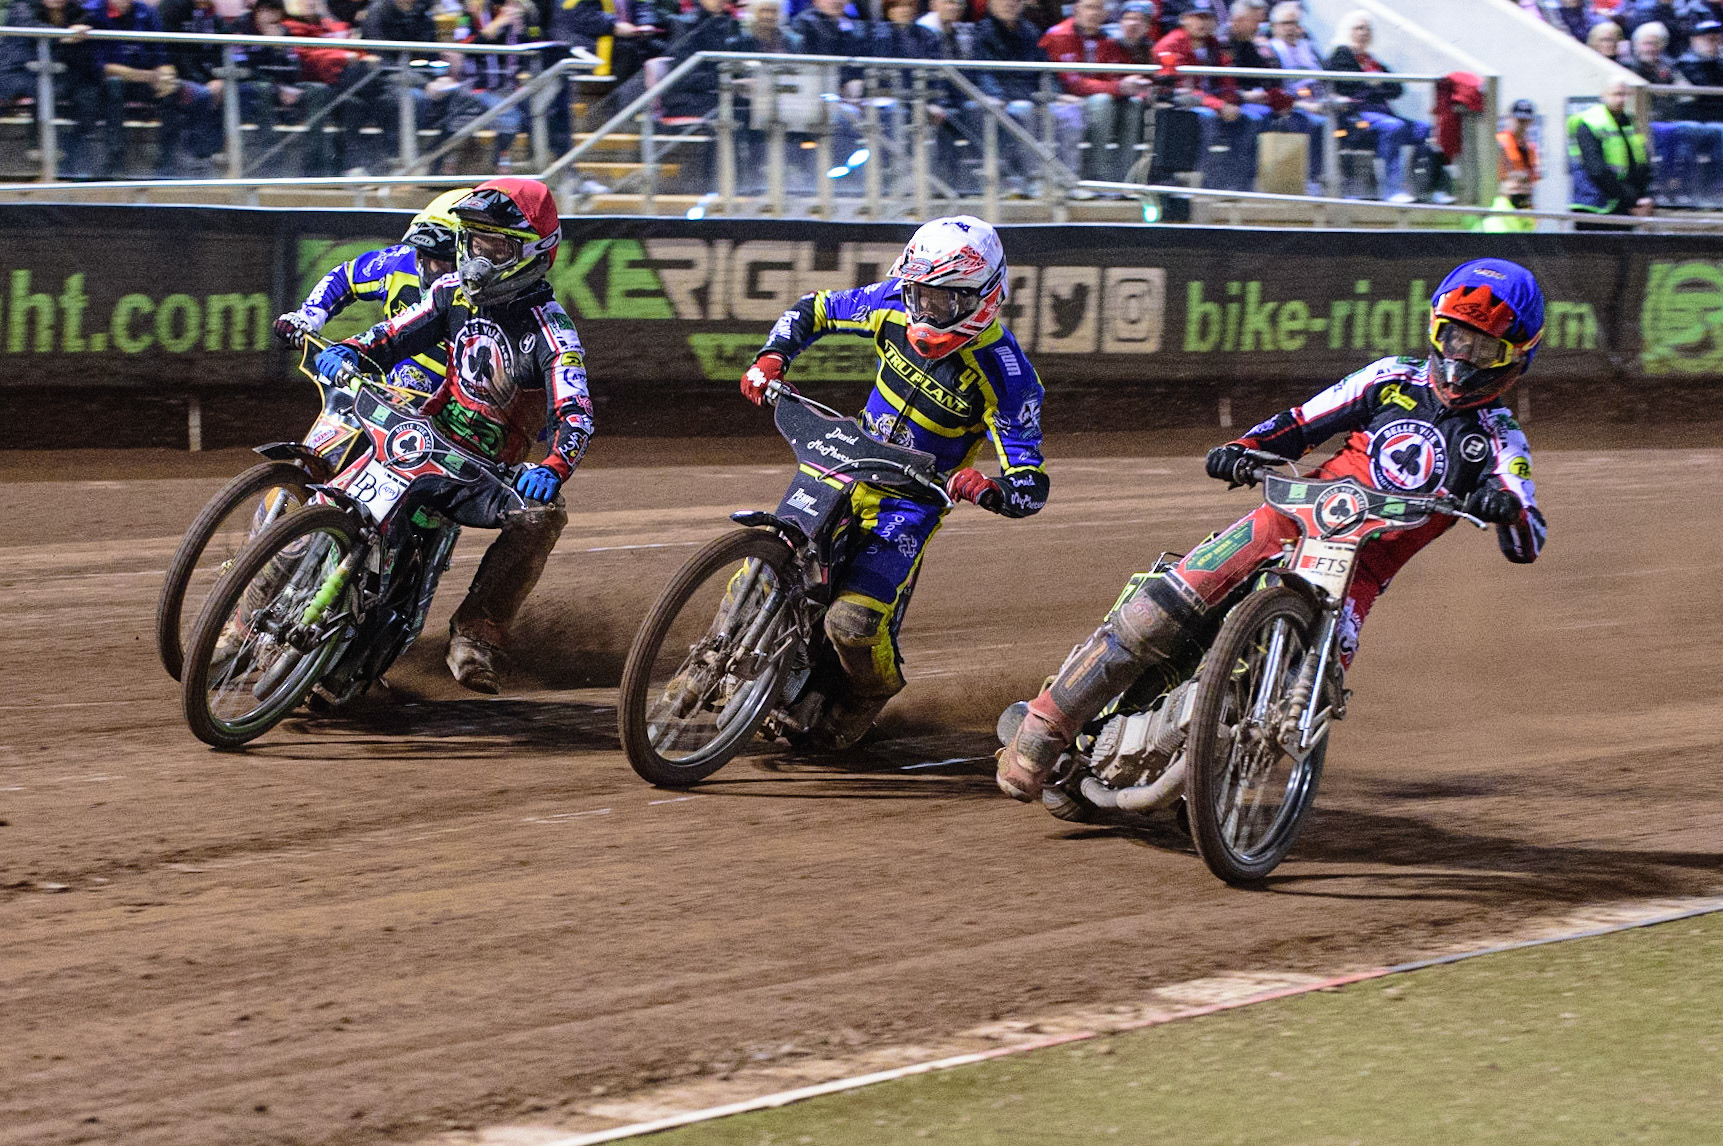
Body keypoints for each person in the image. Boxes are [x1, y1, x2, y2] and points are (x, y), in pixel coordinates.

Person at [998, 258, 1549, 803]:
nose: (1460, 358)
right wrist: (1244, 448)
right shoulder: (1389, 377)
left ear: (1515, 358)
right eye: (1453, 337)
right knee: (1155, 613)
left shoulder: (1499, 436)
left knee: (1304, 694)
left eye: (1480, 348)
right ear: (1434, 329)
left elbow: (1528, 531)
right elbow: (1302, 422)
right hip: (1290, 517)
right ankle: (1045, 727)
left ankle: (1211, 781)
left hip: (1360, 572)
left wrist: (1504, 506)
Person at [736, 216, 1049, 748]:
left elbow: (1030, 483)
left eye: (943, 302)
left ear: (984, 298)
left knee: (854, 624)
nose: (925, 311)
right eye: (919, 294)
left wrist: (989, 488)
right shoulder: (891, 303)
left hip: (912, 501)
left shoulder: (1007, 373)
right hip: (846, 460)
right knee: (760, 568)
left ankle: (863, 699)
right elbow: (812, 309)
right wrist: (772, 357)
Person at [315, 178, 591, 693]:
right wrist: (353, 351)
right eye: (473, 242)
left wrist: (552, 467)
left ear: (533, 255)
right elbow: (393, 336)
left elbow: (576, 413)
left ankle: (476, 634)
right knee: (322, 483)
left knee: (544, 516)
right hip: (417, 431)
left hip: (484, 471)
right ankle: (250, 604)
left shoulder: (553, 332)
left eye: (494, 247)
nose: (477, 259)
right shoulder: (450, 294)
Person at [275, 187, 471, 402]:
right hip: (385, 390)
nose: (428, 267)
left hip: (453, 406)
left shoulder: (487, 305)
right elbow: (346, 276)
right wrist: (308, 317)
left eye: (441, 260)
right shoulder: (398, 265)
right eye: (423, 255)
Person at [1326, 8, 1431, 202]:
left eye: (1367, 29)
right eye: (1358, 28)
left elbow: (1398, 89)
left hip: (1382, 114)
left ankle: (1422, 188)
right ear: (1347, 31)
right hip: (1355, 117)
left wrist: (1375, 85)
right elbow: (1351, 88)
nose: (1364, 32)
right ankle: (1392, 190)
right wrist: (1377, 85)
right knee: (1394, 127)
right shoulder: (1341, 55)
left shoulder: (1372, 61)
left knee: (1425, 130)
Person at [1039, 0, 1140, 183]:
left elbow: (1114, 76)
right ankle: (1099, 176)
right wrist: (1118, 87)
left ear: (1106, 13)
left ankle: (1126, 178)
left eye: (1099, 8)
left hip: (1099, 99)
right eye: (1089, 7)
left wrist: (1133, 87)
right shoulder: (1058, 36)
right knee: (1101, 102)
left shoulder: (1109, 39)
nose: (1094, 13)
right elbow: (1072, 83)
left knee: (1134, 105)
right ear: (1076, 9)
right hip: (1063, 99)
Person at [1569, 76, 1653, 226]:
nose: (1620, 99)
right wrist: (1632, 199)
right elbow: (1597, 169)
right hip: (1594, 206)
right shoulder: (1590, 123)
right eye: (1615, 94)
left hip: (1622, 205)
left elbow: (1641, 162)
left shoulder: (1629, 122)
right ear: (1603, 95)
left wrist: (1641, 197)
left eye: (1624, 94)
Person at [1497, 97, 1541, 184]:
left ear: (1530, 122)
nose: (1522, 125)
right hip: (1503, 192)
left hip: (1523, 193)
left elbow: (1534, 177)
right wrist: (1515, 176)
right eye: (1519, 120)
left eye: (1525, 121)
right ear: (1511, 118)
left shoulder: (1530, 147)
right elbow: (1493, 175)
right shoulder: (1500, 141)